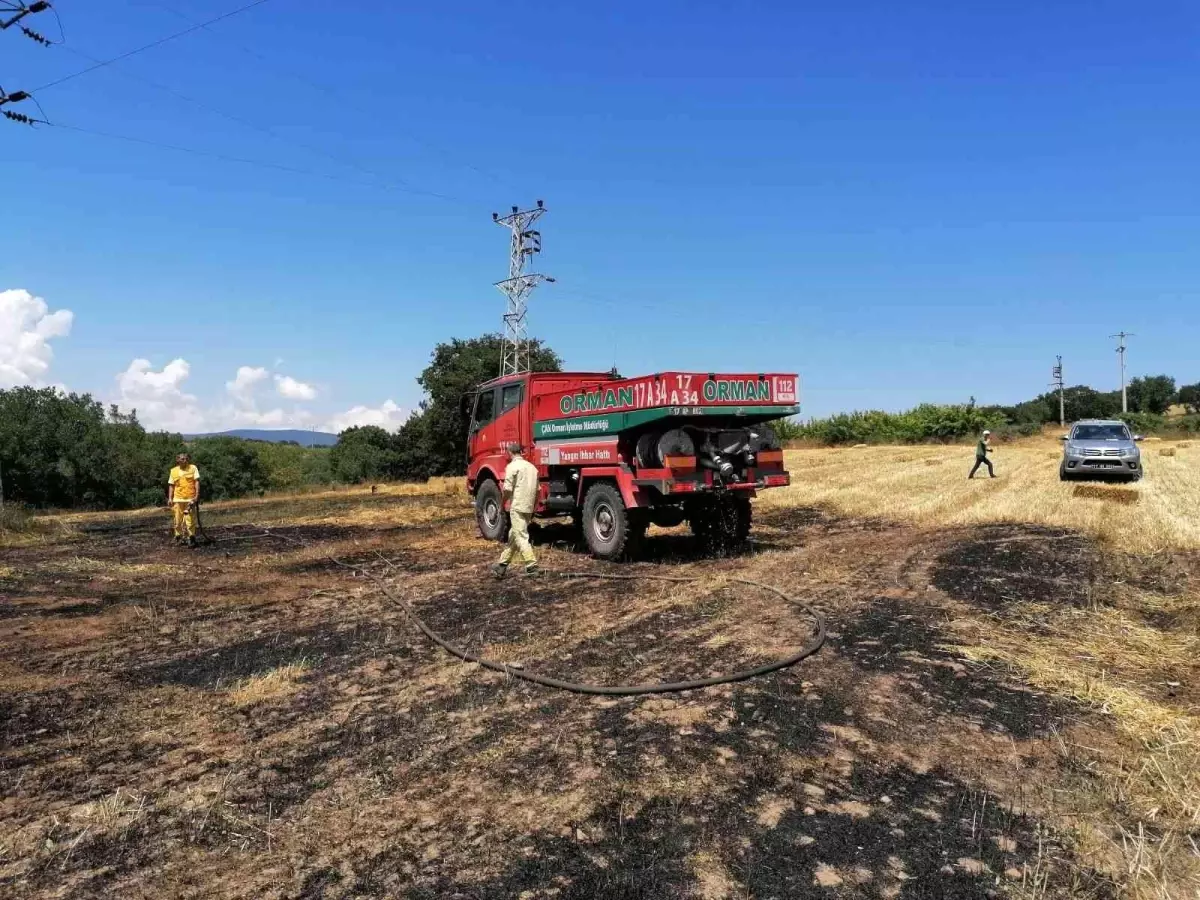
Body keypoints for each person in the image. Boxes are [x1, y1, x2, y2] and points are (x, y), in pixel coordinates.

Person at [492, 443, 539, 578]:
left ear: (510, 453)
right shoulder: (532, 468)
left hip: (517, 506)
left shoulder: (512, 467)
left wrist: (502, 503)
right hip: (528, 507)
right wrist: (534, 506)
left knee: (521, 536)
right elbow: (538, 491)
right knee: (514, 535)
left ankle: (531, 565)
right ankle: (502, 566)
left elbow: (507, 489)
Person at [167, 453, 201, 546]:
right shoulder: (173, 471)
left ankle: (191, 538)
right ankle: (178, 537)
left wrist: (197, 496)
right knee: (177, 520)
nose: (184, 460)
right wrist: (170, 498)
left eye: (186, 459)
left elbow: (197, 482)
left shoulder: (193, 468)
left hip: (190, 499)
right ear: (177, 460)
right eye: (182, 459)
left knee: (190, 520)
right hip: (177, 499)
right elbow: (171, 485)